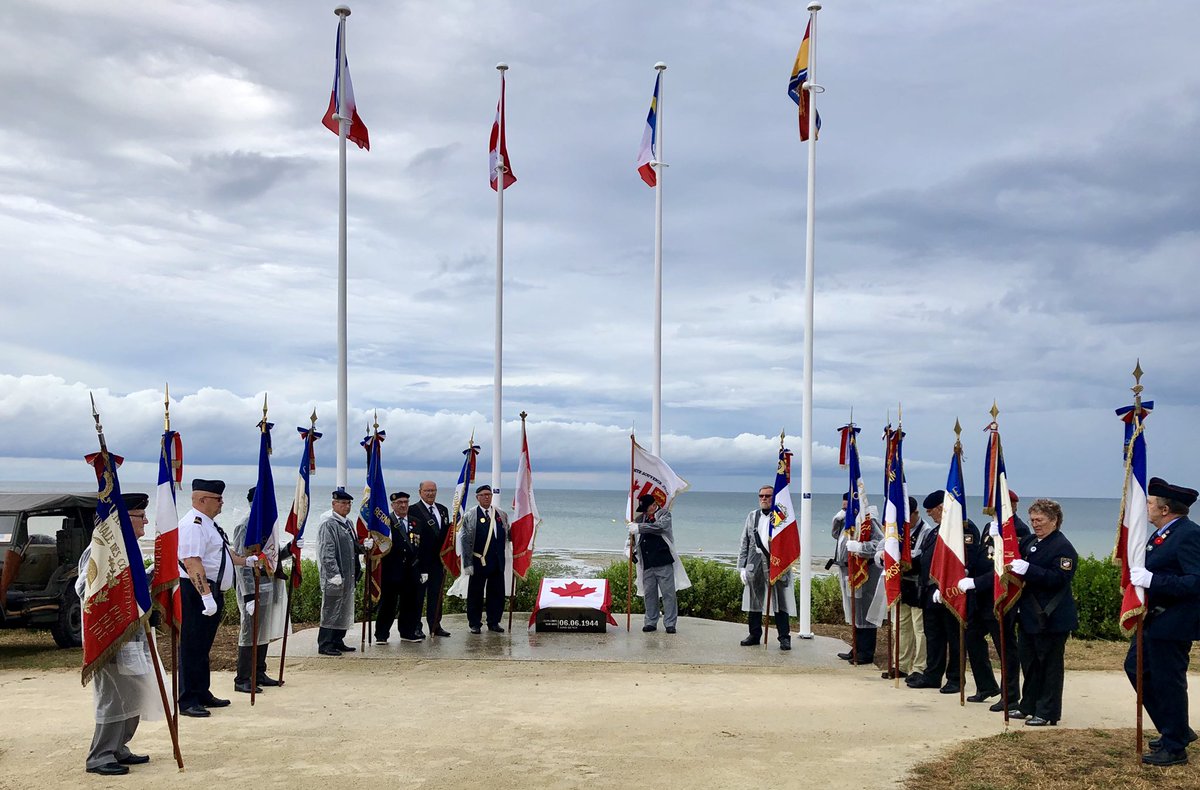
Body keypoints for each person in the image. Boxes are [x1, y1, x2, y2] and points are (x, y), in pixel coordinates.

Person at [79, 493, 161, 775]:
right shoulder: (100, 549)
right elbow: (84, 589)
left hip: (132, 637)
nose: (146, 521)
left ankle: (118, 747)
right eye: (140, 516)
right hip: (110, 638)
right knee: (113, 697)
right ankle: (100, 755)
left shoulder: (130, 550)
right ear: (124, 520)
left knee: (133, 695)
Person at [1124, 478, 1200, 766]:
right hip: (1154, 619)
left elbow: (1195, 581)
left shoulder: (1189, 535)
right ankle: (1175, 728)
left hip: (1174, 621)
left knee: (1168, 682)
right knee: (1135, 668)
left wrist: (1154, 579)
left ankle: (1175, 746)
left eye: (1150, 503)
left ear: (1165, 509)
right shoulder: (1162, 534)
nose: (1146, 507)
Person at [177, 479, 259, 717]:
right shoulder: (194, 525)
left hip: (209, 591)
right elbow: (192, 562)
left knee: (203, 646)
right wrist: (206, 596)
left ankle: (202, 692)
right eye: (218, 498)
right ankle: (188, 699)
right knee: (192, 647)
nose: (222, 502)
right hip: (196, 592)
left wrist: (245, 561)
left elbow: (221, 554)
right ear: (202, 500)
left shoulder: (209, 524)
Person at [907, 490, 998, 700]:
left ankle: (956, 678)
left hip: (953, 592)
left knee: (954, 636)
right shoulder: (936, 531)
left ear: (942, 507)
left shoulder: (964, 529)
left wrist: (948, 585)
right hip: (932, 591)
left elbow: (967, 562)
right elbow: (927, 558)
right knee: (934, 635)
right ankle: (932, 674)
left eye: (932, 512)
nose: (930, 515)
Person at [1005, 498, 1077, 727]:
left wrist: (1030, 570)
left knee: (1050, 666)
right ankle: (1028, 705)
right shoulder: (1030, 541)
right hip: (1028, 616)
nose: (1035, 524)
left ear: (1054, 521)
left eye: (1040, 520)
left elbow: (1059, 579)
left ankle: (1047, 712)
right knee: (1030, 663)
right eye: (1032, 519)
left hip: (1051, 617)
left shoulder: (1063, 547)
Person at [978, 490, 1032, 711]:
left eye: (1005, 504)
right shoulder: (988, 526)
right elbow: (984, 557)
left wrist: (1001, 535)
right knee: (973, 636)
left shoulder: (1018, 529)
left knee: (1006, 647)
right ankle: (986, 686)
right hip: (983, 595)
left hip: (1003, 595)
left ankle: (1010, 695)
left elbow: (1009, 565)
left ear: (1014, 506)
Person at [230, 486, 287, 694]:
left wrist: (289, 550)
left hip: (267, 584)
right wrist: (248, 595)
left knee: (263, 631)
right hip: (252, 588)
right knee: (249, 632)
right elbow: (241, 562)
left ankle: (259, 672)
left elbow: (271, 555)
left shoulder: (267, 526)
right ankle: (243, 677)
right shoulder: (246, 525)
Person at [737, 486, 795, 650]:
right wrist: (741, 567)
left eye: (768, 496)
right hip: (755, 564)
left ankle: (784, 637)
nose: (764, 498)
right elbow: (745, 543)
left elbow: (788, 543)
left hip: (776, 564)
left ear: (774, 498)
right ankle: (754, 634)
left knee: (780, 603)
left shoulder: (782, 517)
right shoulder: (752, 516)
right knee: (754, 601)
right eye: (761, 496)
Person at [317, 488, 369, 656]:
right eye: (342, 503)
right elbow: (327, 552)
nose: (346, 507)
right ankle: (325, 643)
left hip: (349, 574)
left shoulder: (348, 523)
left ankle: (338, 640)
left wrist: (363, 547)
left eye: (348, 503)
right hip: (336, 577)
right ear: (334, 504)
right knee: (331, 609)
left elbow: (352, 547)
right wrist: (333, 574)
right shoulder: (329, 524)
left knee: (344, 608)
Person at [629, 493, 690, 634]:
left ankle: (670, 623)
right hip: (647, 562)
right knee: (649, 594)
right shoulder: (640, 518)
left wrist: (639, 527)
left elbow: (659, 528)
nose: (645, 511)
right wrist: (629, 548)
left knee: (668, 594)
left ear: (654, 505)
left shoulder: (665, 515)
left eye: (647, 508)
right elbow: (632, 537)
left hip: (662, 561)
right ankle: (650, 621)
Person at [834, 496, 883, 664]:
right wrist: (838, 519)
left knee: (865, 612)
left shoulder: (869, 520)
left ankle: (866, 652)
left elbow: (880, 542)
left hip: (865, 571)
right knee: (855, 611)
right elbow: (836, 535)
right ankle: (856, 647)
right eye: (843, 508)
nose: (845, 510)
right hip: (848, 570)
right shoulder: (848, 519)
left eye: (847, 508)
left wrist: (861, 548)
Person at [458, 485, 511, 634]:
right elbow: (466, 541)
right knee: (475, 594)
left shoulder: (501, 514)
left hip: (497, 561)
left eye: (489, 494)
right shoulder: (471, 515)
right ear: (477, 497)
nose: (487, 497)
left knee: (497, 593)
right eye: (483, 495)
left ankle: (494, 622)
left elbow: (508, 535)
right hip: (478, 561)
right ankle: (474, 623)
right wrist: (467, 564)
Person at [892, 496, 934, 680]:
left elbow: (921, 557)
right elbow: (882, 548)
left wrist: (902, 561)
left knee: (919, 629)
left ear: (916, 513)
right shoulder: (898, 529)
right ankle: (901, 665)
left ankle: (919, 667)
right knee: (900, 626)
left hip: (918, 584)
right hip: (901, 583)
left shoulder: (926, 531)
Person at [376, 491, 427, 643]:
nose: (403, 505)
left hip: (411, 571)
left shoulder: (416, 522)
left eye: (405, 502)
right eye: (399, 503)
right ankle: (381, 635)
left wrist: (423, 570)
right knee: (388, 605)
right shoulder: (385, 523)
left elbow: (422, 548)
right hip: (391, 571)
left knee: (409, 604)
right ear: (392, 505)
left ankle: (407, 632)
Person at [411, 481, 452, 638]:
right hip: (420, 562)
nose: (430, 493)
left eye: (433, 490)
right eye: (427, 490)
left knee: (436, 595)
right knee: (418, 597)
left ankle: (435, 625)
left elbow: (446, 536)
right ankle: (416, 626)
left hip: (438, 562)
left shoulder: (442, 510)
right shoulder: (413, 510)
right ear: (420, 491)